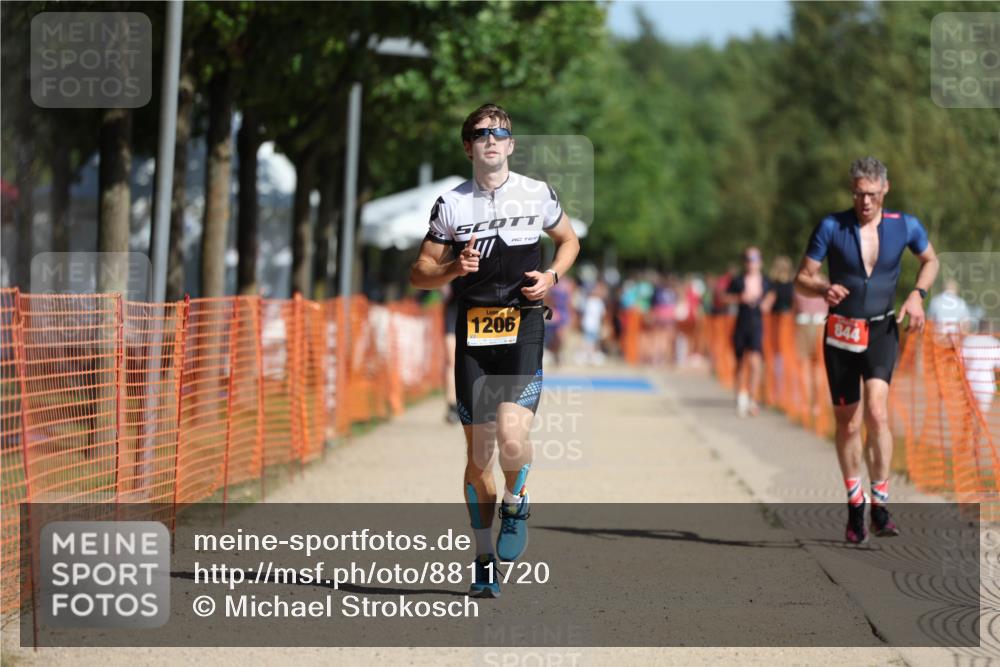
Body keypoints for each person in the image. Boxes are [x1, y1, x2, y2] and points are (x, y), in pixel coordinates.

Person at [409, 104, 580, 598]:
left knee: (511, 437)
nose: (490, 139)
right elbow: (419, 274)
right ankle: (484, 557)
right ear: (468, 146)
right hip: (474, 334)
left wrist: (551, 276)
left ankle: (517, 498)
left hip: (523, 325)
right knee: (478, 453)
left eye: (499, 133)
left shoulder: (537, 193)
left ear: (511, 144)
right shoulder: (451, 205)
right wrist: (451, 270)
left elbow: (568, 241)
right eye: (480, 133)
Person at [794, 156, 939, 544]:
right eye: (859, 194)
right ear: (851, 191)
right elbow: (801, 278)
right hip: (841, 333)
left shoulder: (904, 225)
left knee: (877, 411)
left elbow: (930, 260)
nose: (865, 202)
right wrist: (822, 288)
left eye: (872, 195)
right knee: (849, 422)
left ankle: (881, 503)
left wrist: (917, 297)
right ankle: (854, 503)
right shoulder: (831, 225)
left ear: (885, 190)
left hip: (881, 330)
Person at [726, 247, 776, 417]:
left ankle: (753, 399)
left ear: (760, 262)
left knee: (755, 362)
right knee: (740, 362)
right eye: (748, 259)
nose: (751, 262)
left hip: (757, 324)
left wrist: (767, 302)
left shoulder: (766, 281)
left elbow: (773, 294)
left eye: (754, 259)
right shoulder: (738, 280)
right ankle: (741, 396)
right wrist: (739, 298)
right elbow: (724, 297)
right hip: (741, 323)